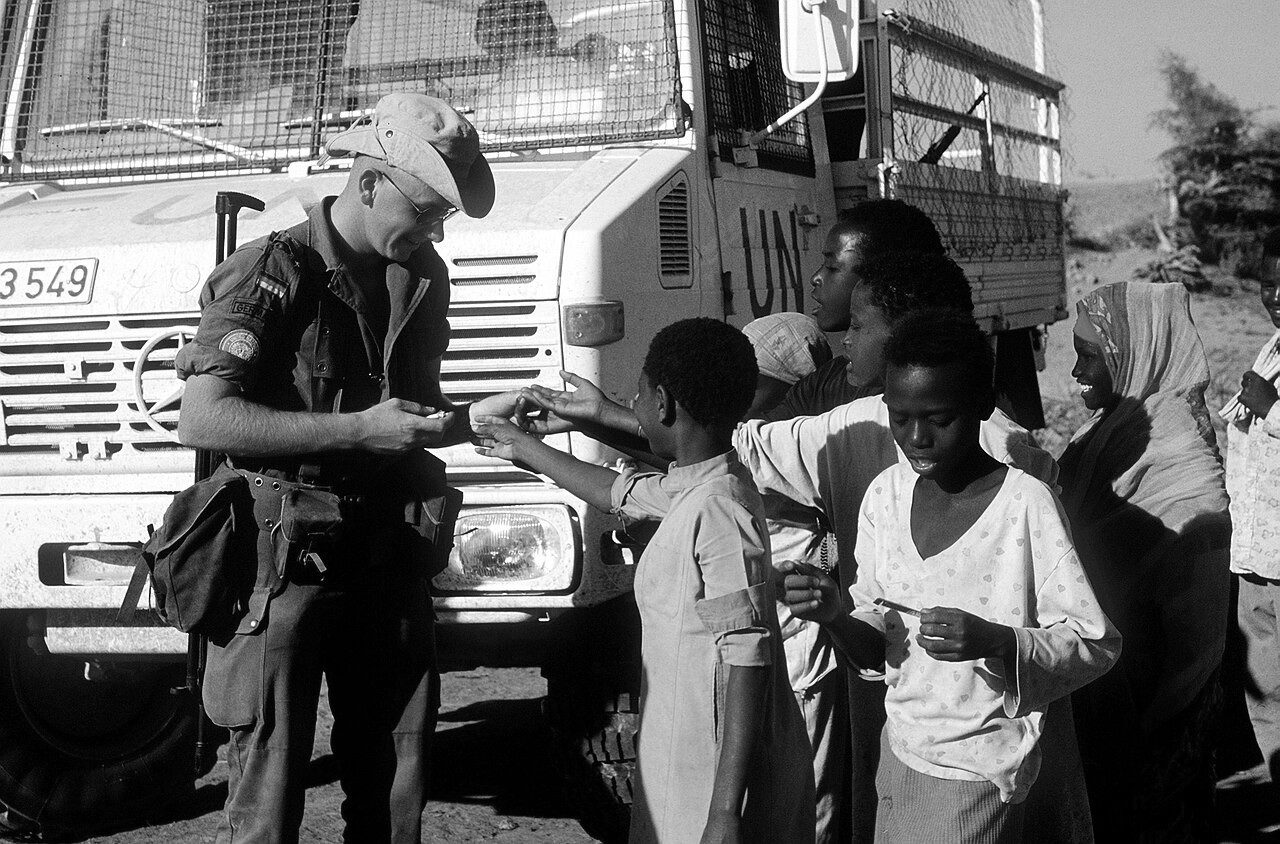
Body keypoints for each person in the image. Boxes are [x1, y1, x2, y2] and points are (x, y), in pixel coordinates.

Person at [515, 252, 1054, 842]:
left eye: (860, 325)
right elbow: (730, 450)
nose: (846, 337)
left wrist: (1001, 642)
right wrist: (580, 423)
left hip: (978, 752)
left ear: (910, 335)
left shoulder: (1015, 475)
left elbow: (1077, 634)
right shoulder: (860, 447)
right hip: (901, 728)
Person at [174, 93, 496, 844]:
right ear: (370, 182)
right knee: (268, 799)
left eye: (443, 216)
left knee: (394, 795)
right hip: (285, 567)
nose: (433, 230)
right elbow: (205, 417)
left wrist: (478, 418)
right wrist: (356, 430)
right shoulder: (273, 270)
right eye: (424, 208)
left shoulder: (420, 275)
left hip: (386, 560)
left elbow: (407, 420)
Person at [781, 309, 1120, 844]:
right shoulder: (884, 498)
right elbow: (878, 644)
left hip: (978, 769)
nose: (917, 437)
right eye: (899, 417)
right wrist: (836, 617)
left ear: (983, 407)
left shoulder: (1025, 506)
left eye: (939, 420)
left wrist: (999, 642)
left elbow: (1094, 643)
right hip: (901, 753)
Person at [473, 318, 815, 844]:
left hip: (713, 764)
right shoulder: (712, 484)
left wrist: (725, 812)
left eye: (636, 394)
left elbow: (750, 658)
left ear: (663, 404)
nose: (629, 406)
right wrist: (521, 446)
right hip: (687, 745)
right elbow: (620, 493)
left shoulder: (720, 510)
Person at [1061, 281, 1231, 843]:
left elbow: (1198, 626)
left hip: (1157, 698)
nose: (1076, 372)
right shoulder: (1107, 433)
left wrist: (1163, 719)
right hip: (1109, 677)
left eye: (1089, 355)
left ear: (1136, 355)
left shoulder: (1179, 459)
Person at [742, 312, 841, 844]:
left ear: (791, 388)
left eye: (753, 384)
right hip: (755, 650)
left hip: (798, 657)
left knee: (804, 805)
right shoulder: (769, 443)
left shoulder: (788, 451)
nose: (740, 397)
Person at [758, 200, 947, 422]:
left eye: (832, 267)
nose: (816, 277)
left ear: (884, 277)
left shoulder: (940, 391)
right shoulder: (824, 382)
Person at [1225, 229, 1280, 789]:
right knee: (1266, 682)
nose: (1277, 296)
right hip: (1261, 551)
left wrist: (1271, 408)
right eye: (1268, 284)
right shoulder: (1272, 347)